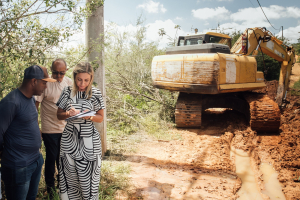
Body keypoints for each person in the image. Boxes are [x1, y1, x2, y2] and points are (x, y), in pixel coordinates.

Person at [0, 65, 56, 200]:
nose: (46, 87)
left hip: (35, 161)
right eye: (44, 83)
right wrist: (11, 155)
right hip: (18, 166)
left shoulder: (31, 98)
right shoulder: (11, 102)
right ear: (33, 81)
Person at [56, 62, 105, 200]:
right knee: (69, 179)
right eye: (79, 79)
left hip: (89, 143)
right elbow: (58, 115)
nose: (82, 83)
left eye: (86, 80)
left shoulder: (95, 93)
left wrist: (87, 115)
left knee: (88, 183)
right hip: (69, 142)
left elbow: (100, 118)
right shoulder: (66, 91)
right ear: (74, 77)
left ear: (90, 79)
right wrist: (68, 114)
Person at [35, 59, 72, 197]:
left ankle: (63, 187)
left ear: (66, 71)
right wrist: (36, 127)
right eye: (55, 73)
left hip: (66, 129)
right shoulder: (46, 85)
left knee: (63, 159)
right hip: (49, 130)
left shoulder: (68, 82)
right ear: (51, 71)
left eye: (61, 73)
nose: (58, 76)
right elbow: (35, 106)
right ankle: (50, 189)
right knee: (51, 159)